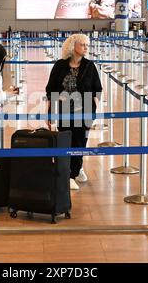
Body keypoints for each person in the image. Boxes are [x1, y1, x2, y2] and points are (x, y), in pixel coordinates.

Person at [45, 34, 103, 191]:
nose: (86, 47)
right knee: (65, 141)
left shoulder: (89, 66)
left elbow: (97, 89)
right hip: (64, 111)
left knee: (80, 142)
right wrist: (49, 111)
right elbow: (51, 89)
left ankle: (75, 171)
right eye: (82, 44)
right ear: (73, 46)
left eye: (87, 44)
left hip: (83, 111)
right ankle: (69, 173)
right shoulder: (60, 66)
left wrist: (93, 109)